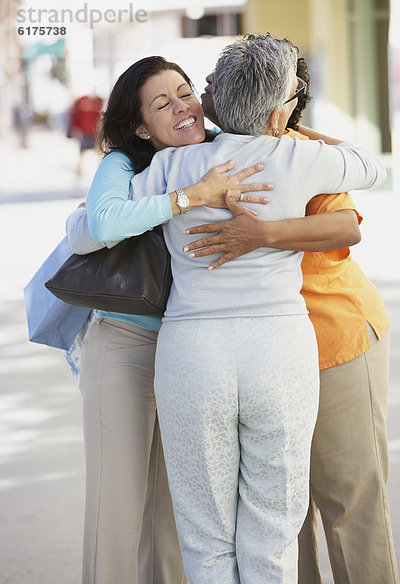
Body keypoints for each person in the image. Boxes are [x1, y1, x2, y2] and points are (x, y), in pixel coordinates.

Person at [81, 35, 385, 583]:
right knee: (273, 530)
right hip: (279, 351)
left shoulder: (173, 167)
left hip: (193, 354)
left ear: (216, 97)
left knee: (205, 536)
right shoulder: (296, 155)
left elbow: (99, 223)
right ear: (277, 107)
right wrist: (282, 126)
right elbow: (368, 165)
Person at [184, 47, 399, 584]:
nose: (204, 90)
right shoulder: (194, 155)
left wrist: (261, 235)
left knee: (349, 499)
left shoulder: (303, 153)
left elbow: (346, 225)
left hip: (333, 340)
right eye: (208, 80)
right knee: (275, 516)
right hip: (258, 358)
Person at [66, 56, 274, 584]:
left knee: (173, 515)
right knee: (117, 507)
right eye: (163, 104)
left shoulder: (216, 146)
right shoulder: (125, 164)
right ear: (140, 126)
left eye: (185, 92)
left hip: (189, 352)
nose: (183, 107)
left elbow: (280, 133)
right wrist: (189, 198)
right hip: (125, 343)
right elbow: (97, 225)